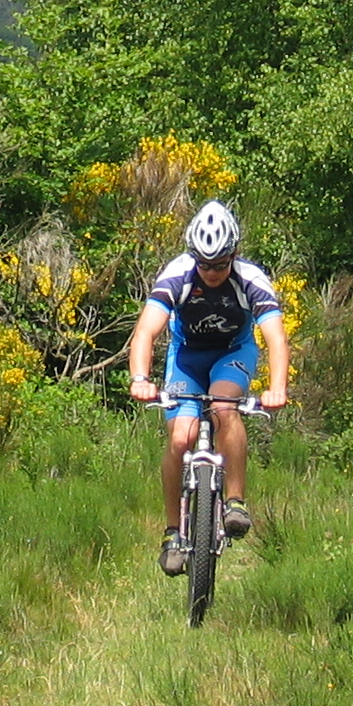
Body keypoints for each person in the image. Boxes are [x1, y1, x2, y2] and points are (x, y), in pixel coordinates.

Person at [126, 199, 289, 576]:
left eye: (219, 264)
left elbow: (276, 340)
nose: (211, 272)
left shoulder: (251, 280)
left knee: (224, 407)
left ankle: (235, 502)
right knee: (180, 437)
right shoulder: (178, 274)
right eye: (204, 264)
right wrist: (140, 380)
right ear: (193, 257)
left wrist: (277, 387)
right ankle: (172, 533)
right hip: (187, 357)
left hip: (233, 352)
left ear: (234, 255)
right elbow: (146, 331)